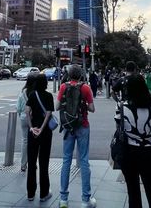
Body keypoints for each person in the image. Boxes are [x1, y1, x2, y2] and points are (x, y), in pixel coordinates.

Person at [117, 75, 151, 208]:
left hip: (129, 151)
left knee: (133, 192)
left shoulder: (122, 107)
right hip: (147, 151)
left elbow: (119, 128)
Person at [56, 64, 96, 208]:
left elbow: (57, 106)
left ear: (69, 75)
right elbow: (92, 109)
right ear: (80, 75)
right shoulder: (85, 88)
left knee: (66, 160)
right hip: (82, 125)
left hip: (67, 126)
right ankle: (86, 200)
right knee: (84, 160)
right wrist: (83, 103)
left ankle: (63, 199)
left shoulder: (63, 87)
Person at [25, 74, 54, 203]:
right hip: (45, 132)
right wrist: (42, 128)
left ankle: (30, 193)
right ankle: (44, 193)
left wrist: (32, 128)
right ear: (46, 83)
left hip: (32, 132)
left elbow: (27, 112)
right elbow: (48, 113)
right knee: (44, 163)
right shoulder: (48, 96)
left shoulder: (32, 95)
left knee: (31, 163)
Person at [17, 74, 38, 172]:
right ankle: (33, 163)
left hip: (23, 117)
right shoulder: (36, 93)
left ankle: (23, 164)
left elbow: (18, 107)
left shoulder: (22, 92)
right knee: (35, 140)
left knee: (24, 140)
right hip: (34, 118)